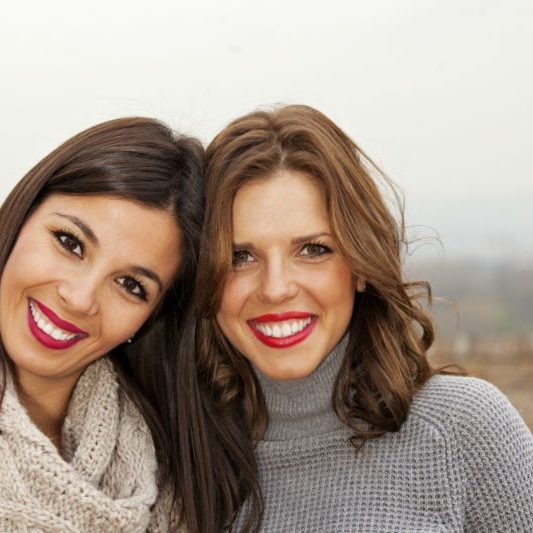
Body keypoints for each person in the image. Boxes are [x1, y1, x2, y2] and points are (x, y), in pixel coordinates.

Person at [194, 105, 533, 532]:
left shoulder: (463, 429)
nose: (275, 288)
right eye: (239, 257)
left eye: (313, 249)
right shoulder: (174, 460)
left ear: (359, 266)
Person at [0, 117, 203, 532]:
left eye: (130, 285)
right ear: (22, 216)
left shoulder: (173, 475)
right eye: (70, 242)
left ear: (151, 317)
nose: (80, 298)